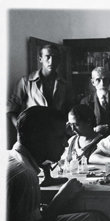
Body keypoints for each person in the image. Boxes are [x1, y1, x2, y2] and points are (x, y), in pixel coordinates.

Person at [7, 106, 110, 221]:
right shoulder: (24, 175)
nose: (66, 144)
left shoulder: (11, 157)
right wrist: (61, 199)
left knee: (94, 220)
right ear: (37, 137)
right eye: (60, 137)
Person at [7, 44, 74, 187]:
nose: (51, 61)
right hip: (33, 130)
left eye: (55, 58)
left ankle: (48, 177)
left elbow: (69, 108)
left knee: (50, 153)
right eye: (47, 57)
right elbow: (11, 109)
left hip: (53, 130)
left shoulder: (64, 84)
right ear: (40, 59)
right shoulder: (26, 81)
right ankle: (32, 182)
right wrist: (21, 128)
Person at [80, 67, 110, 136]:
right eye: (98, 80)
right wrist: (94, 130)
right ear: (93, 82)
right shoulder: (85, 102)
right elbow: (82, 127)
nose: (102, 83)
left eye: (105, 80)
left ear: (109, 81)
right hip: (94, 141)